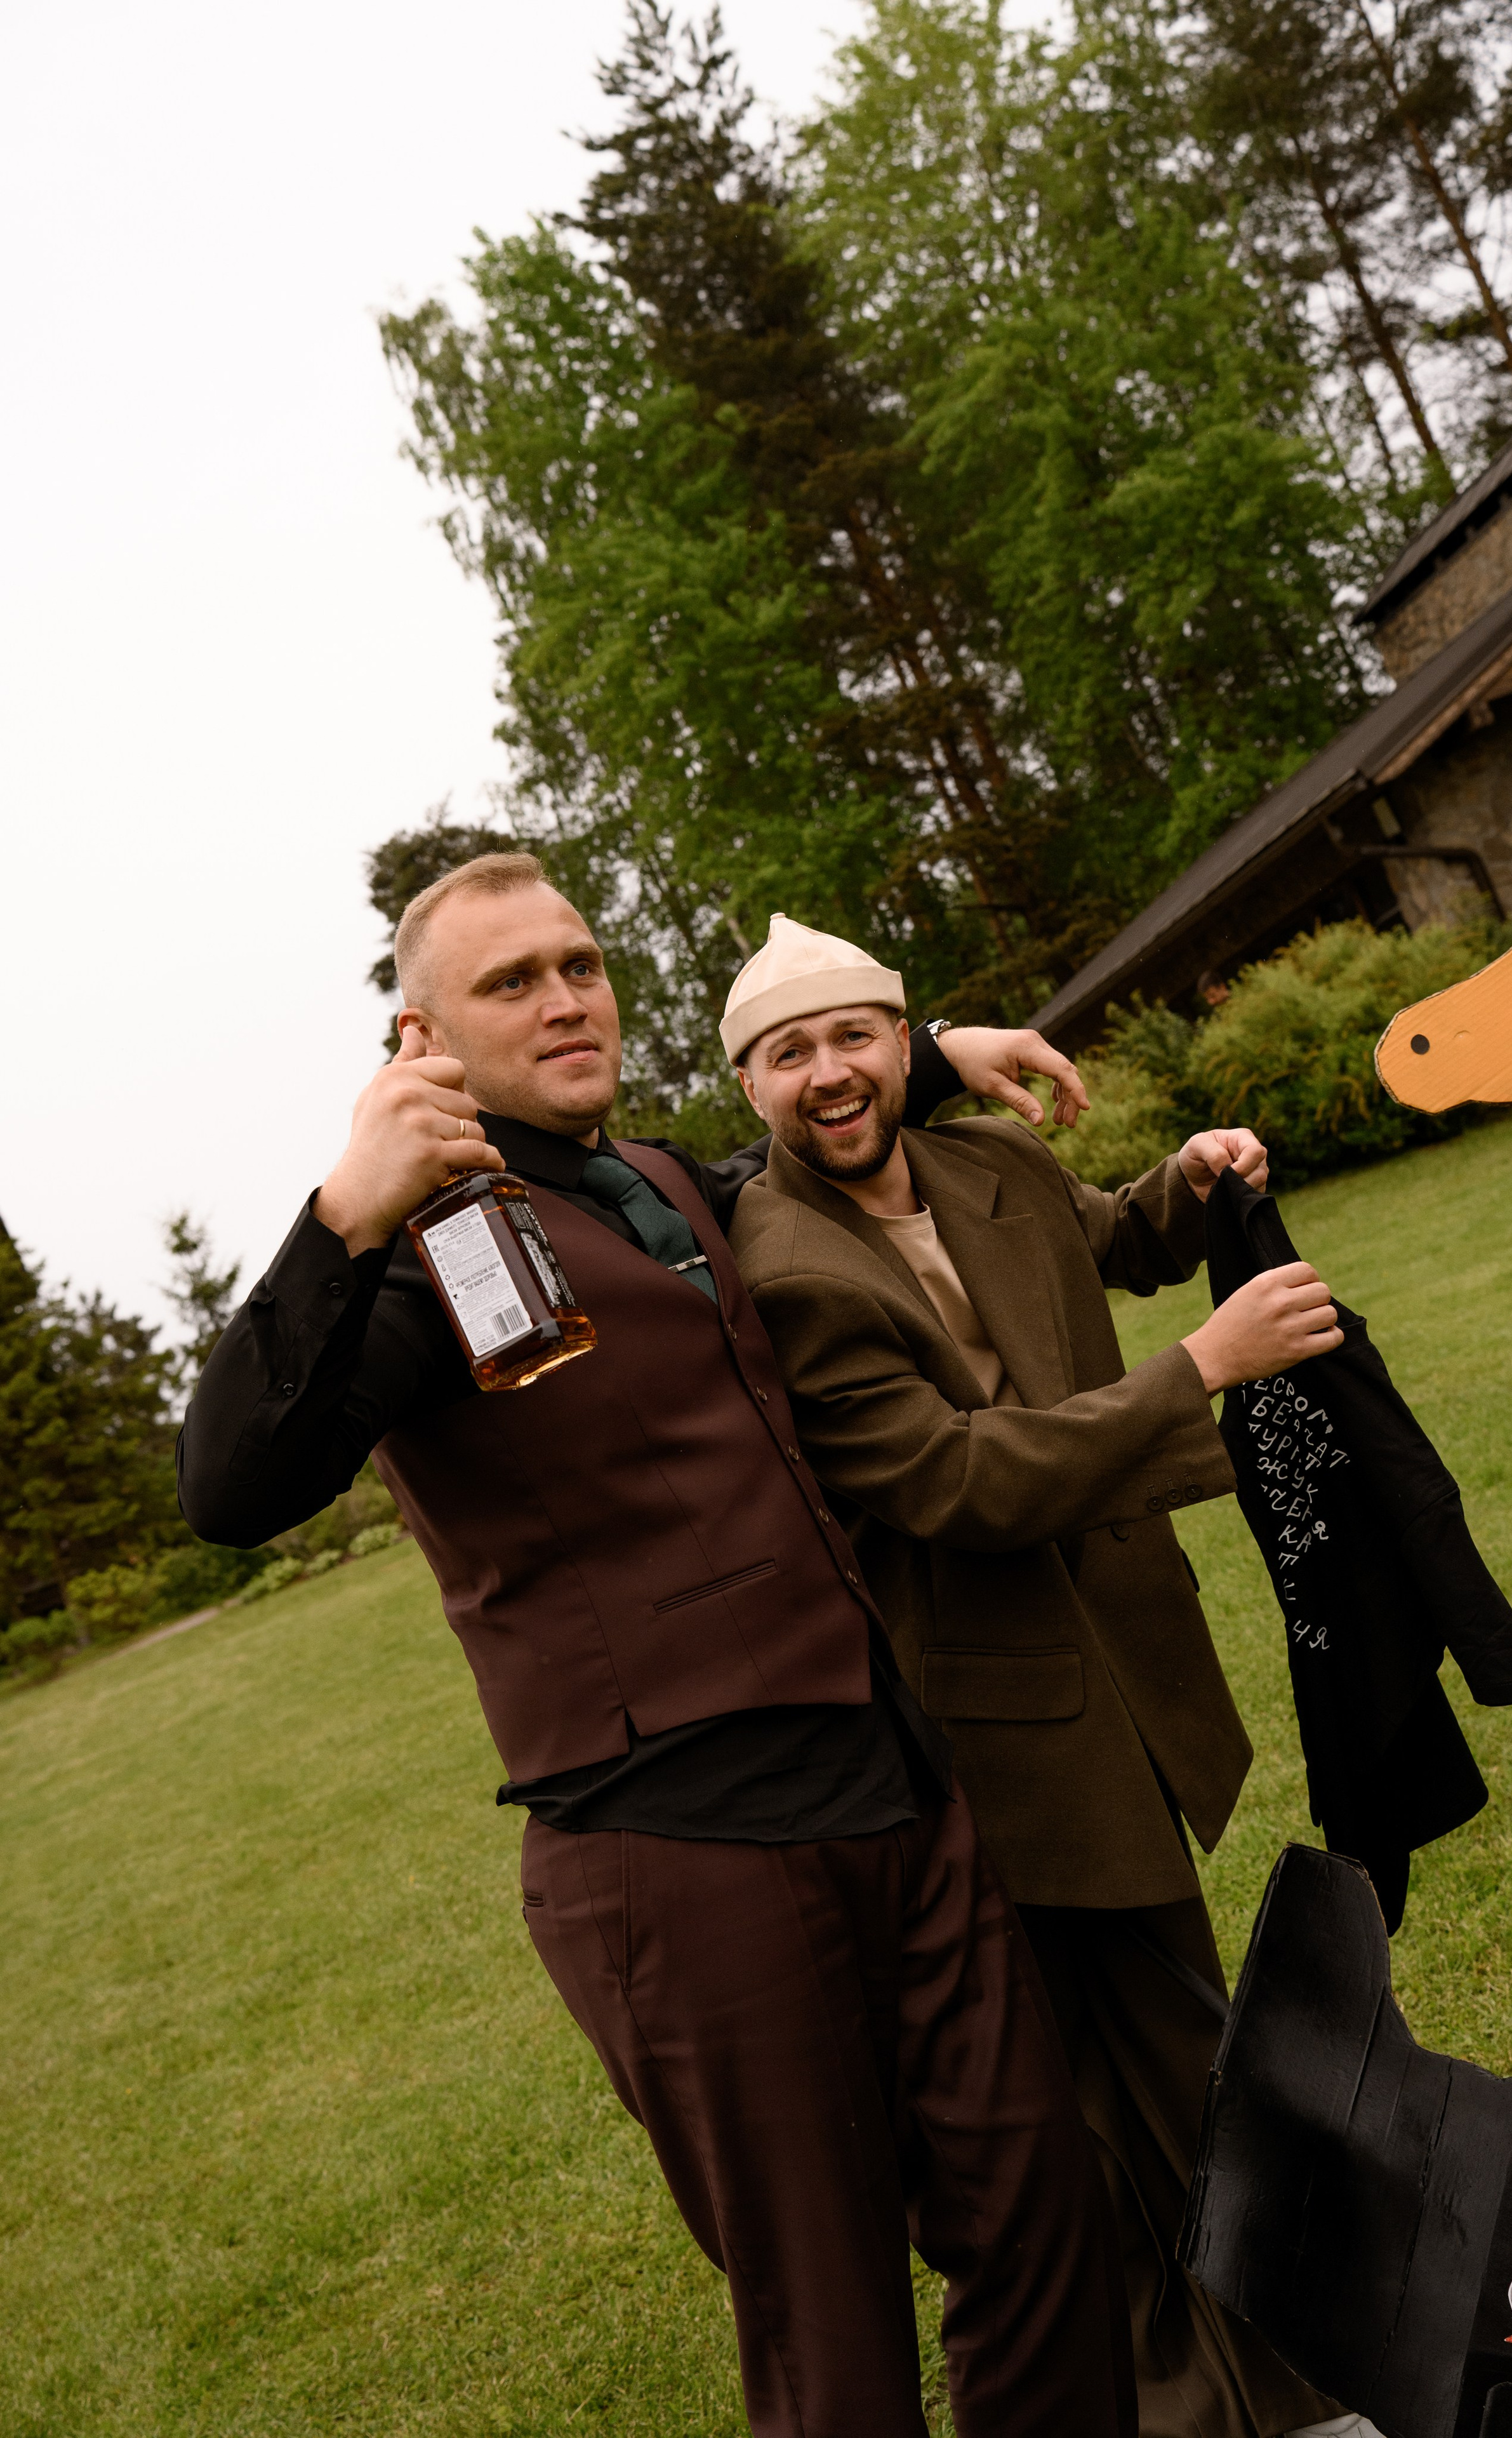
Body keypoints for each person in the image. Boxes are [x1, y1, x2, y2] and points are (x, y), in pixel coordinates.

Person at [178, 852, 1136, 2438]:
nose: (566, 998)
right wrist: (343, 1208)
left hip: (894, 1786)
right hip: (685, 1852)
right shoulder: (405, 1262)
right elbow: (229, 1485)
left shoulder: (655, 1179)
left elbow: (766, 1160)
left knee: (1045, 2224)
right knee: (833, 2346)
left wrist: (934, 1054)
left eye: (580, 963)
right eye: (511, 982)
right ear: (422, 1039)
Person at [724, 913, 1351, 2438]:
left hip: (1116, 1667)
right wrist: (1200, 1368)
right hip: (992, 1730)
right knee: (1080, 2109)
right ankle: (1218, 2399)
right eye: (786, 1053)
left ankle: (1281, 2375)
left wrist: (1188, 1181)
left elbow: (1108, 1237)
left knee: (1180, 2055)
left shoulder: (981, 1162)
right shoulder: (785, 1270)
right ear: (746, 1085)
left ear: (902, 1041)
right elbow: (956, 1480)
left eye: (852, 1035)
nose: (828, 1073)